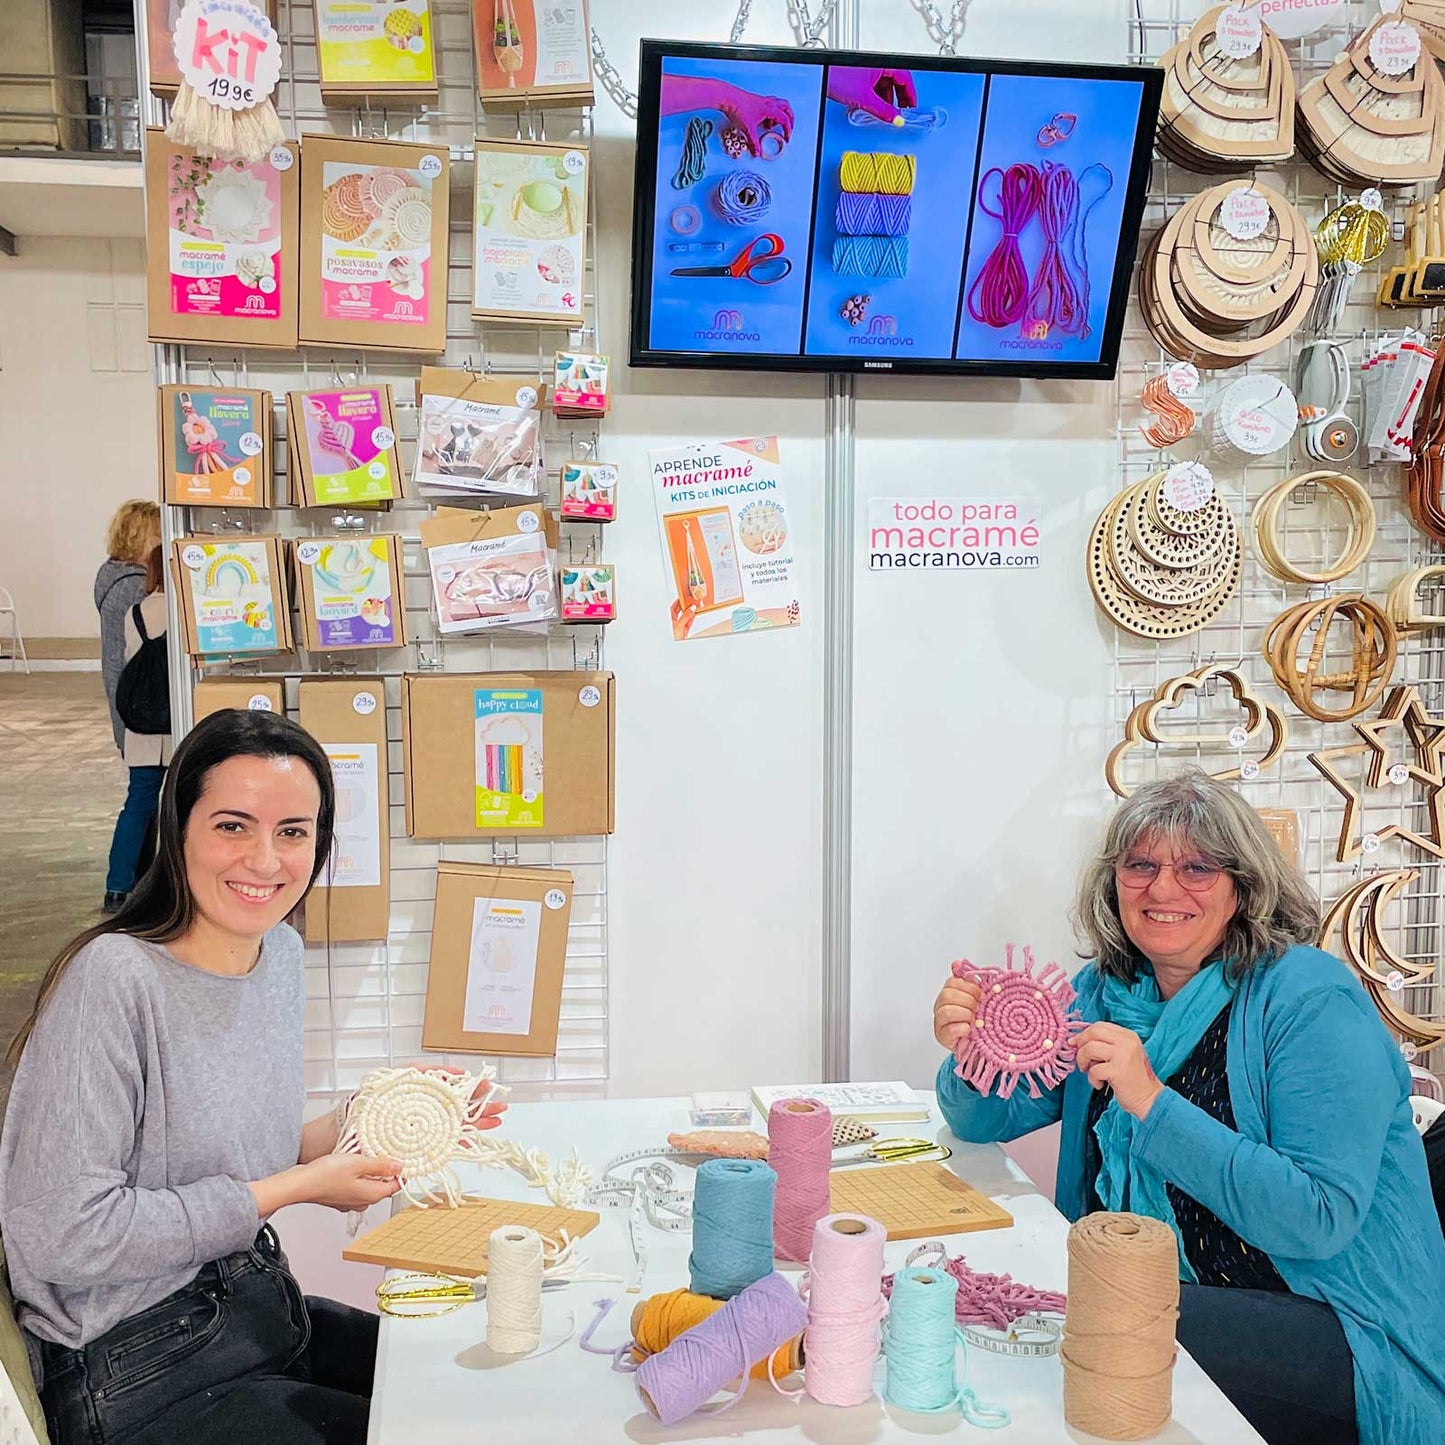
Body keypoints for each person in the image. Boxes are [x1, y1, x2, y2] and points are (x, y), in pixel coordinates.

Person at [0, 709, 505, 1445]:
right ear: (178, 830)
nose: (265, 861)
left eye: (293, 831)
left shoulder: (279, 956)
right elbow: (60, 1234)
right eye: (233, 825)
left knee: (488, 1403)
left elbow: (236, 1152)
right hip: (137, 1367)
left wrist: (382, 1115)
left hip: (256, 1310)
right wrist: (296, 1188)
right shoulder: (113, 979)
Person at [932, 771, 1445, 1445]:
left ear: (1243, 886)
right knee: (1007, 1317)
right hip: (1159, 1296)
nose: (1163, 889)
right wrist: (972, 1053)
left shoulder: (1308, 1000)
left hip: (1338, 1325)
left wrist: (1149, 1101)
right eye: (1139, 865)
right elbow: (982, 1120)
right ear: (1111, 882)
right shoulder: (1106, 989)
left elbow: (1317, 1218)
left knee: (1076, 1333)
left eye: (1196, 867)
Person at [96, 500, 162, 911]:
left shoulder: (110, 580)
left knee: (141, 799)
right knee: (143, 802)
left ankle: (126, 884)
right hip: (146, 713)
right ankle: (126, 884)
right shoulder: (135, 591)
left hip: (130, 711)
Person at [105, 545, 169, 912]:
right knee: (182, 806)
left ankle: (117, 887)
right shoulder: (184, 613)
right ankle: (172, 885)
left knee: (137, 805)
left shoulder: (135, 613)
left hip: (143, 727)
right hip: (177, 725)